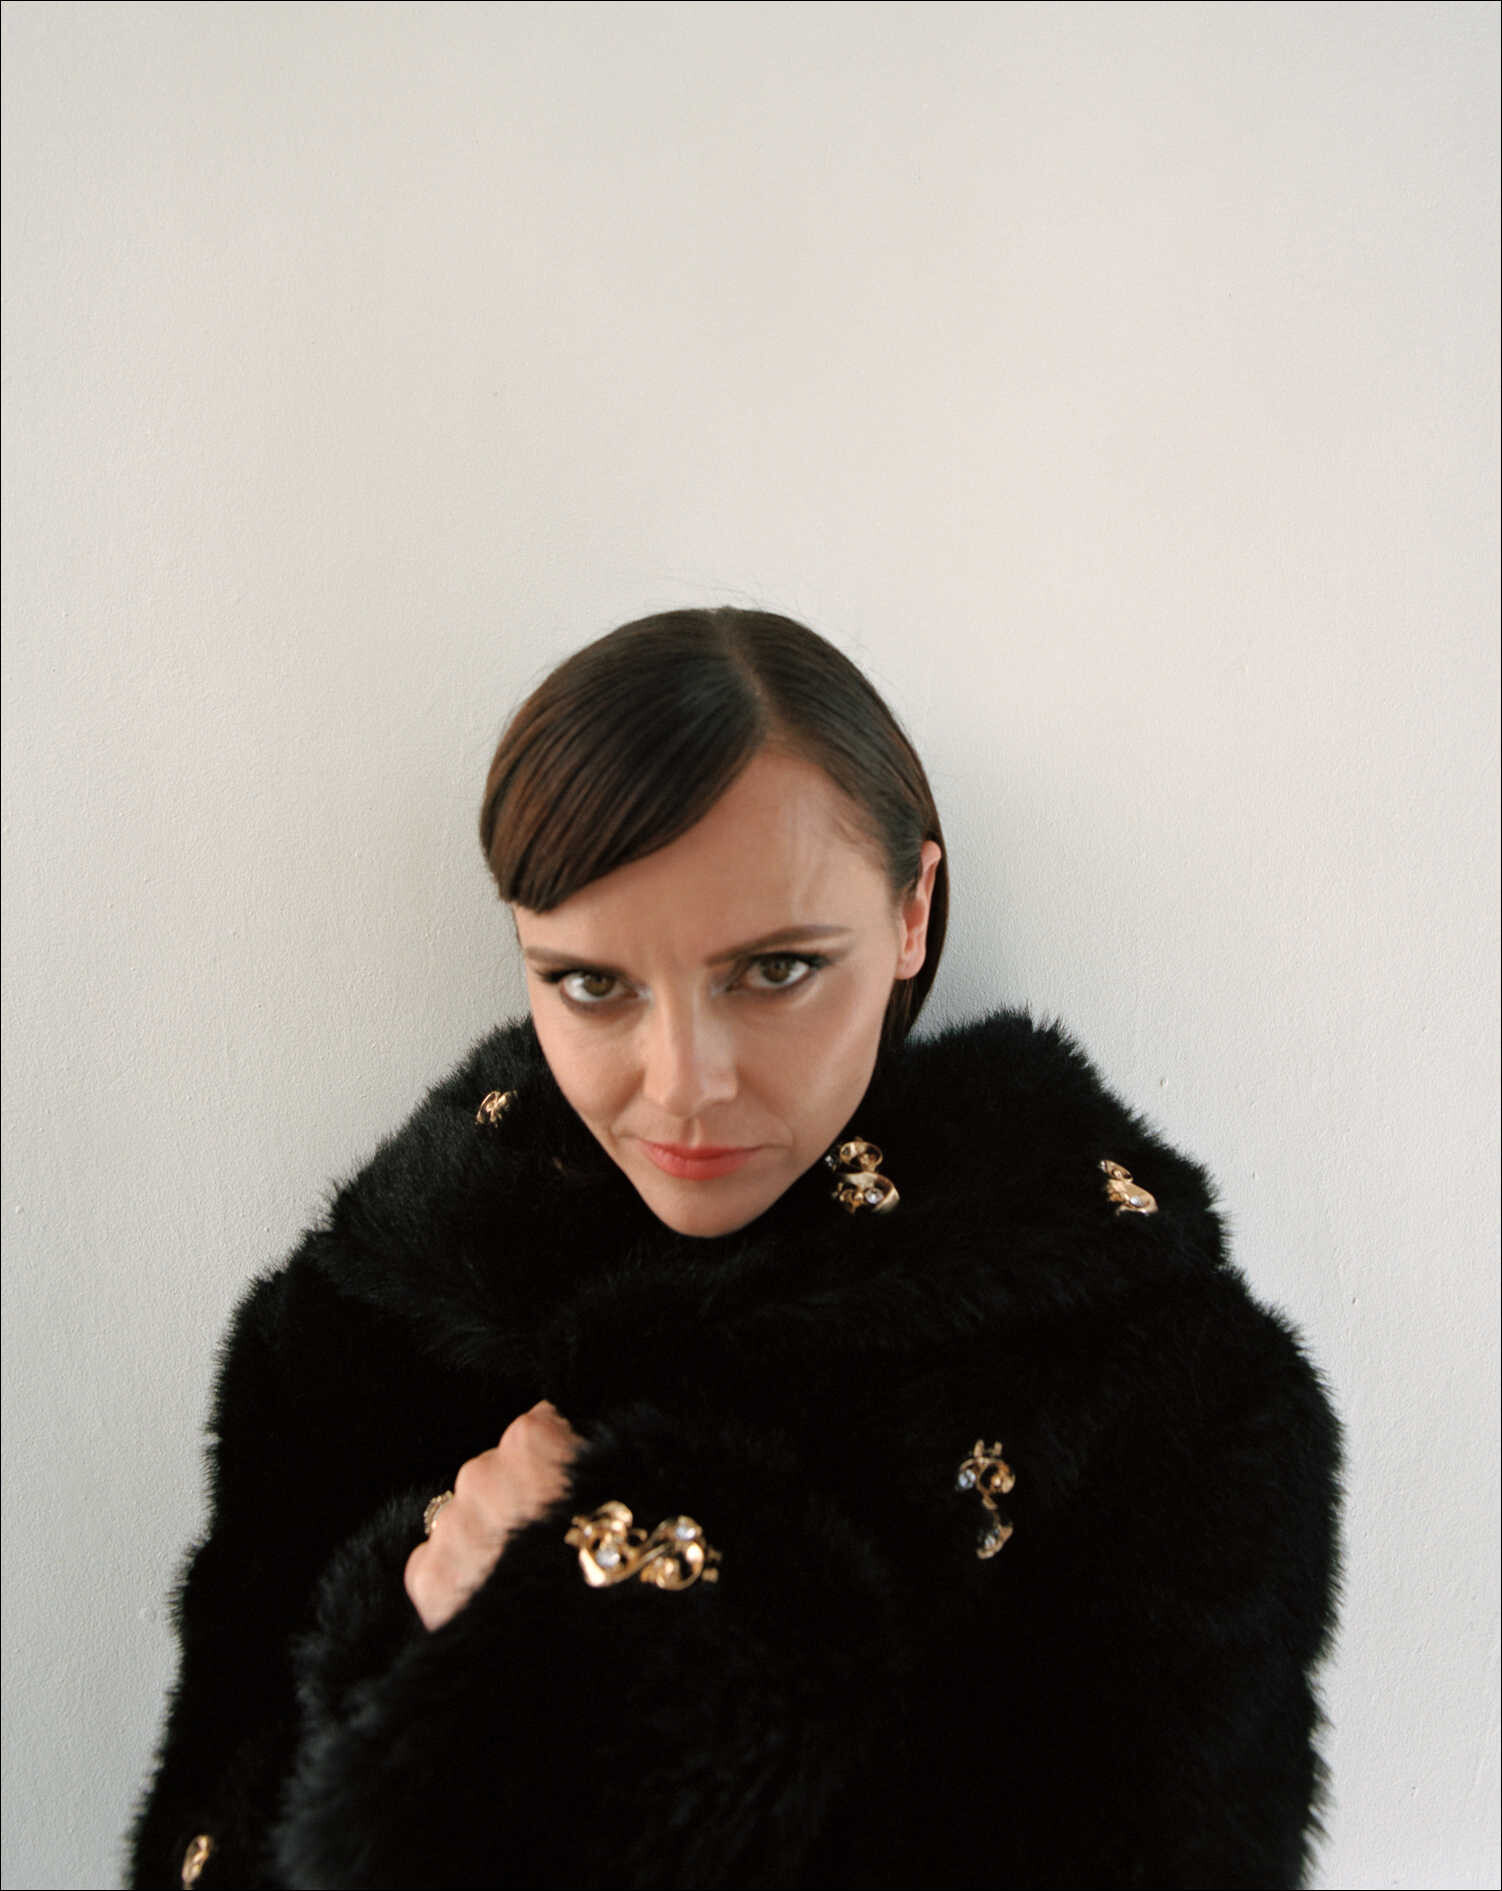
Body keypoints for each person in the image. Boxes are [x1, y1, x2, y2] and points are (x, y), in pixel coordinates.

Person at [128, 607, 1341, 1891]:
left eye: (772, 971)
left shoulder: (1155, 1393)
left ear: (911, 912)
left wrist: (610, 1657)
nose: (683, 1083)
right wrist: (414, 1636)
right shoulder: (364, 1331)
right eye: (592, 984)